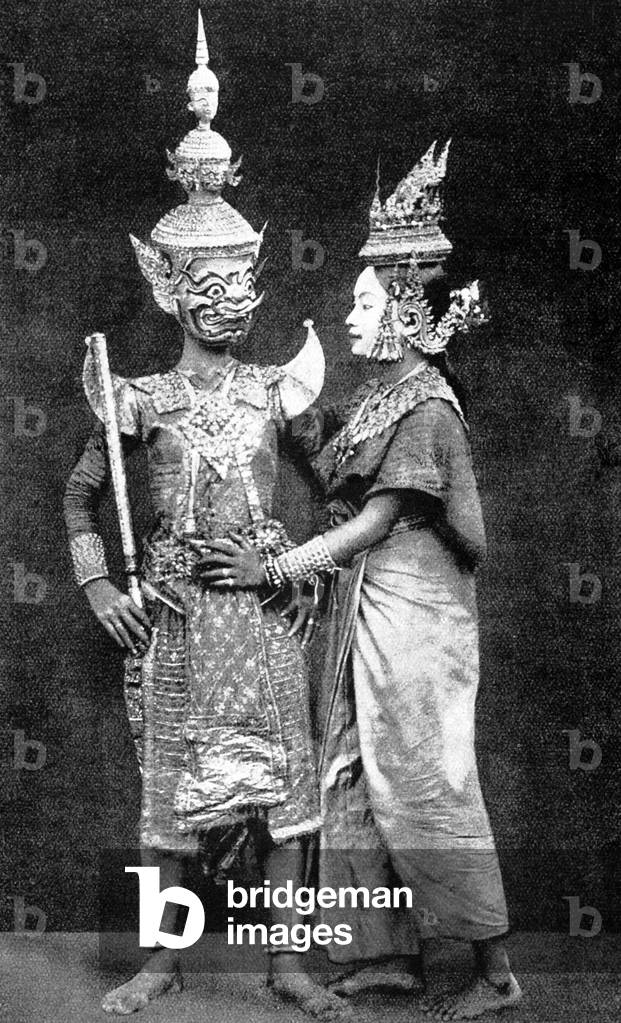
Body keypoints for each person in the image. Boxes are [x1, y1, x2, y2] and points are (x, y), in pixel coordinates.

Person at [64, 12, 349, 1020]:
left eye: (244, 282)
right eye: (212, 284)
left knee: (286, 803)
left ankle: (287, 965)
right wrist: (100, 580)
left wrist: (300, 562)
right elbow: (81, 495)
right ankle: (167, 962)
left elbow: (347, 495)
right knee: (169, 809)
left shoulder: (279, 391)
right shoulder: (141, 398)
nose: (233, 301)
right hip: (179, 615)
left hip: (264, 621)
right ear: (172, 287)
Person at [202, 142, 522, 1021]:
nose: (346, 313)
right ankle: (386, 955)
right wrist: (254, 388)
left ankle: (496, 971)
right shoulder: (379, 397)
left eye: (361, 301)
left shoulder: (424, 403)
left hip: (415, 616)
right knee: (344, 769)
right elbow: (325, 463)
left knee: (421, 777)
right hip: (362, 609)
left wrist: (273, 567)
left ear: (404, 311)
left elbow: (374, 522)